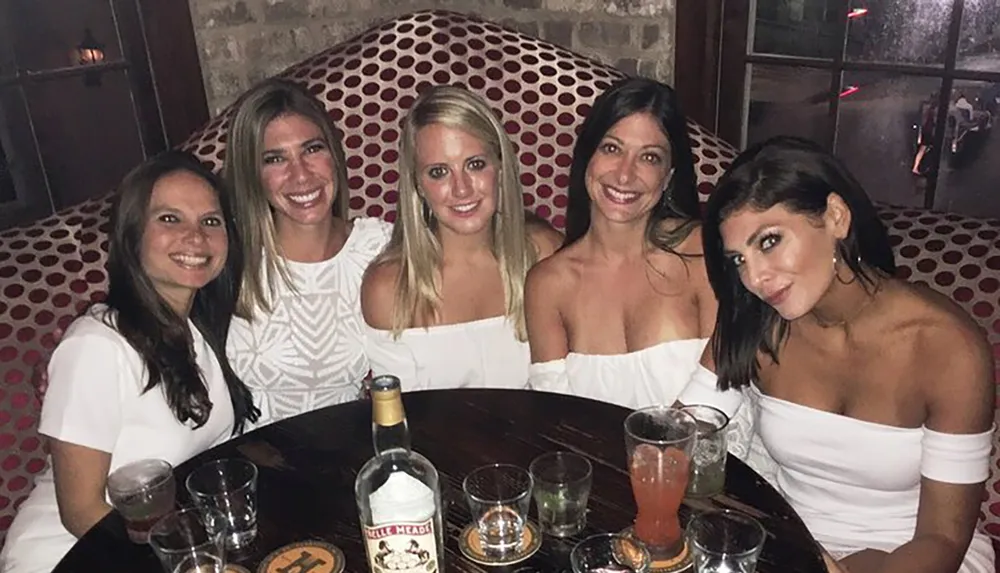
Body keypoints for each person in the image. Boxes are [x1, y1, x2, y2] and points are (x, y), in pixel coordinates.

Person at [685, 136, 995, 572]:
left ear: (835, 216)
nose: (755, 277)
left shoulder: (947, 347)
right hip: (791, 548)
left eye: (769, 241)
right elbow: (677, 437)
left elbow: (942, 539)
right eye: (739, 259)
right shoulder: (755, 325)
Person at [1, 151, 259, 573]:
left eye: (210, 221)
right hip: (70, 556)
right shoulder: (96, 347)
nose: (195, 237)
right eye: (170, 219)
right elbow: (80, 512)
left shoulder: (200, 331)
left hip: (162, 548)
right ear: (132, 234)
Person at [523, 77, 718, 408]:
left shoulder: (702, 251)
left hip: (713, 456)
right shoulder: (548, 284)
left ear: (669, 176)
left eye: (649, 157)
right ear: (587, 157)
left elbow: (728, 381)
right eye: (612, 149)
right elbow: (553, 414)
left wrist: (666, 452)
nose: (625, 175)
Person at [361, 86, 562, 391]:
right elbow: (400, 419)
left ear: (500, 165)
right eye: (439, 172)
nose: (462, 189)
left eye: (475, 164)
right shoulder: (390, 288)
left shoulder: (543, 254)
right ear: (418, 185)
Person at [223, 79, 392, 424]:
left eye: (312, 149)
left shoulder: (380, 248)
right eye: (274, 159)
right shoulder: (227, 258)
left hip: (350, 453)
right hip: (251, 462)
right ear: (251, 174)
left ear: (334, 155)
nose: (300, 174)